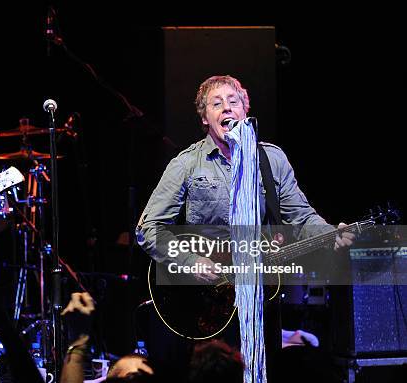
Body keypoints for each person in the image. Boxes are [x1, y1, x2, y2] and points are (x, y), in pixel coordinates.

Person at [136, 75, 354, 380]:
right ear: (205, 118)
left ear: (244, 111)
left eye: (233, 101)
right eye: (216, 103)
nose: (226, 108)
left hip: (261, 298)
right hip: (208, 304)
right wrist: (190, 261)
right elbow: (149, 229)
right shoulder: (187, 164)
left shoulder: (271, 159)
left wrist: (331, 234)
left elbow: (302, 218)